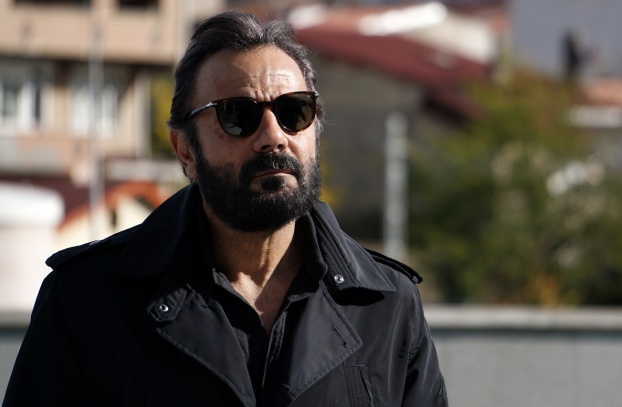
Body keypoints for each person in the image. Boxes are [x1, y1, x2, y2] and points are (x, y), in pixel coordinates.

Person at [3, 11, 447, 407]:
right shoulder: (88, 300)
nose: (273, 136)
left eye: (294, 111)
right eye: (238, 115)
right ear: (185, 150)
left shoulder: (387, 306)